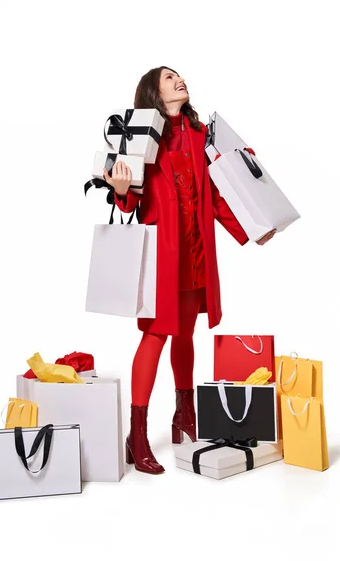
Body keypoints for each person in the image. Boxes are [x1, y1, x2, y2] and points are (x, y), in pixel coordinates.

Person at [103, 66, 276, 475]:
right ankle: (138, 434)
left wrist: (251, 231)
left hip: (195, 253)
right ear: (152, 92)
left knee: (185, 332)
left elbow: (215, 198)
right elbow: (128, 203)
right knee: (155, 334)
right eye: (168, 78)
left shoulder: (200, 136)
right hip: (162, 255)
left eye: (179, 76)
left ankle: (185, 416)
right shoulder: (141, 136)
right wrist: (123, 191)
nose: (179, 80)